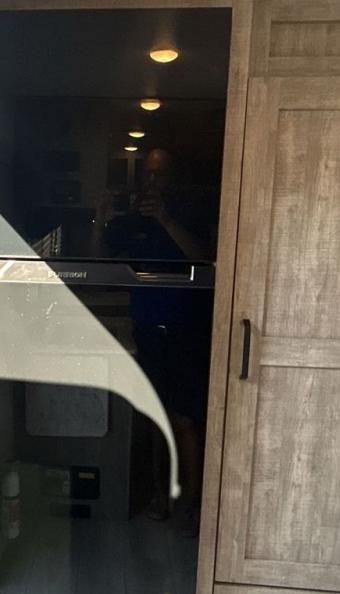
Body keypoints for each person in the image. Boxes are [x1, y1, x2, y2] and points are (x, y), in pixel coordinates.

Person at [92, 148, 214, 536]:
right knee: (155, 418)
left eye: (160, 175)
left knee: (187, 421)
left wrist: (165, 218)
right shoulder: (132, 220)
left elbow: (206, 259)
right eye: (148, 174)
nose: (152, 181)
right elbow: (100, 261)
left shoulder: (191, 212)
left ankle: (194, 504)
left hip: (187, 331)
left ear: (173, 177)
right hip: (147, 331)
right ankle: (162, 495)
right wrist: (100, 215)